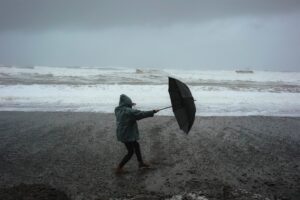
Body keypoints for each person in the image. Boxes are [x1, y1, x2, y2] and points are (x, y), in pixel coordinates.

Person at [114, 94, 159, 174]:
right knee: (130, 152)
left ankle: (140, 163)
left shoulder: (118, 110)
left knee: (136, 144)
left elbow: (131, 113)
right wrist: (153, 111)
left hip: (122, 133)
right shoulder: (129, 111)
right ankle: (119, 168)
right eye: (130, 104)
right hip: (127, 134)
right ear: (127, 104)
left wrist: (130, 106)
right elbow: (141, 114)